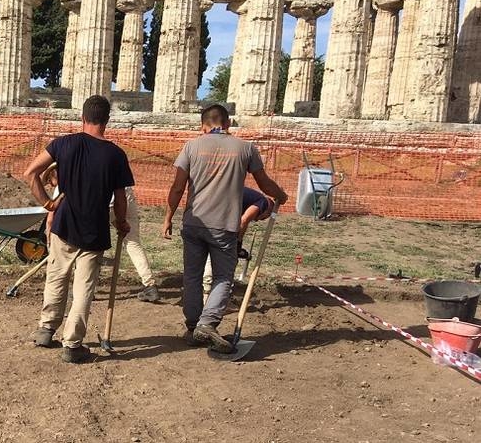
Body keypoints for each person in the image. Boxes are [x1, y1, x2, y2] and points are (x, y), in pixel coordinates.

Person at [162, 104, 287, 354]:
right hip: (224, 226)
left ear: (203, 126)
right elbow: (263, 182)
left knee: (192, 276)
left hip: (194, 223)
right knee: (222, 277)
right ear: (228, 124)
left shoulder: (191, 146)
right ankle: (206, 324)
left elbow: (177, 187)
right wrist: (280, 195)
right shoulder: (245, 148)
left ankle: (192, 325)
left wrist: (168, 218)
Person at [24, 95, 134, 364]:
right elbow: (120, 198)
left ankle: (46, 329)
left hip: (64, 224)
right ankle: (72, 345)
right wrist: (121, 222)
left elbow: (31, 173)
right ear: (106, 121)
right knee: (84, 288)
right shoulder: (116, 155)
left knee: (57, 277)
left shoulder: (64, 144)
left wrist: (48, 204)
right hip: (94, 230)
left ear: (83, 118)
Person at [41, 165, 160, 303]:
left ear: (54, 175)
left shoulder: (66, 180)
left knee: (89, 245)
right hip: (124, 195)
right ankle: (150, 285)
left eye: (49, 180)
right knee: (133, 242)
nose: (50, 184)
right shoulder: (87, 164)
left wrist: (50, 243)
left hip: (104, 203)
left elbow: (51, 219)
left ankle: (87, 291)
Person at [202, 188, 276, 300]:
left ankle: (205, 296)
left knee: (210, 255)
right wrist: (238, 242)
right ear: (268, 212)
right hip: (219, 223)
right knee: (227, 262)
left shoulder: (248, 197)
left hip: (205, 215)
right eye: (263, 218)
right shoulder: (263, 203)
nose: (257, 220)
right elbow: (244, 220)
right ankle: (217, 300)